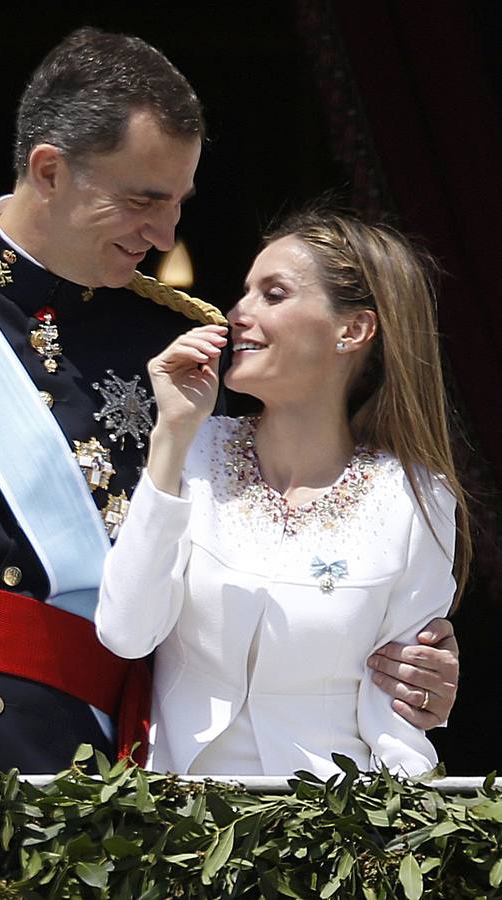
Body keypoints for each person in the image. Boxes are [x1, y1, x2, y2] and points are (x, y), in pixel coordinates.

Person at [0, 28, 456, 779]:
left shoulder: (191, 344)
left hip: (120, 765)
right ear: (50, 171)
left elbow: (287, 536)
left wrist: (403, 661)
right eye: (142, 200)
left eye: (179, 203)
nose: (164, 234)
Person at [96, 209, 470, 777]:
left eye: (273, 294)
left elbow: (398, 710)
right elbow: (125, 632)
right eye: (245, 293)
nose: (239, 313)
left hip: (331, 831)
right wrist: (171, 433)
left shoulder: (416, 499)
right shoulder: (194, 453)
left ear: (353, 330)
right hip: (175, 824)